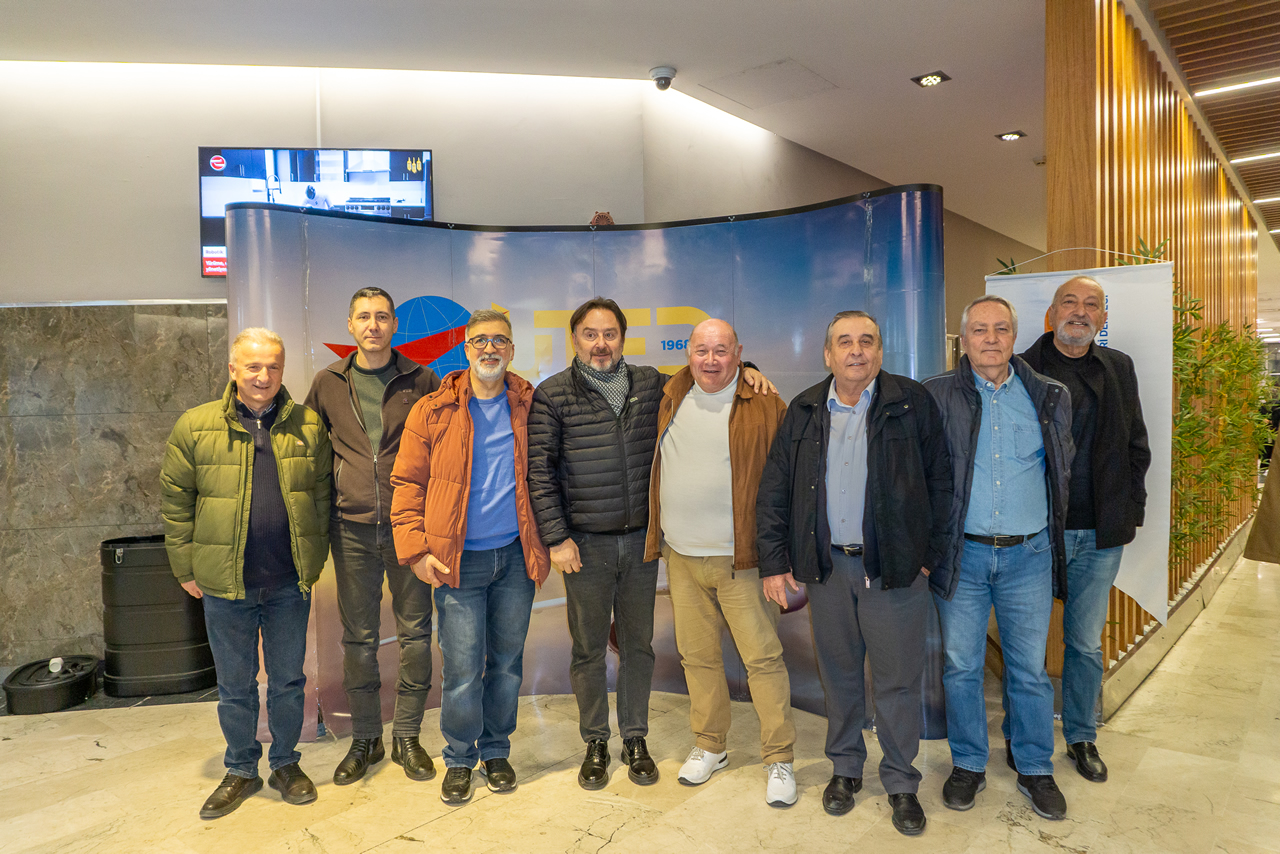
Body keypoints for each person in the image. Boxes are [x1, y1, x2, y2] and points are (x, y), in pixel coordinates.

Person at [526, 297, 773, 791]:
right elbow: (539, 472)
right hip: (585, 547)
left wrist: (751, 372)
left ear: (623, 338)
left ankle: (634, 737)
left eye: (610, 334)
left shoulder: (653, 384)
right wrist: (557, 538)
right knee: (588, 649)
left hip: (642, 544)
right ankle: (596, 741)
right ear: (574, 339)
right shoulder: (553, 395)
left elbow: (712, 373)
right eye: (590, 335)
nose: (601, 344)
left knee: (638, 646)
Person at [756, 310, 952, 836]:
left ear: (880, 352)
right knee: (839, 676)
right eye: (844, 342)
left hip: (893, 571)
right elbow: (775, 489)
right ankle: (845, 769)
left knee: (896, 682)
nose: (856, 350)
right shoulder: (804, 409)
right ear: (828, 354)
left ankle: (901, 781)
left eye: (867, 341)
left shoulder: (912, 403)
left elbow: (942, 482)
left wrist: (927, 555)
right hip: (828, 571)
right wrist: (775, 561)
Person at [160, 327, 331, 819]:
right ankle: (240, 768)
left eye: (273, 366)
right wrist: (185, 567)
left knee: (288, 681)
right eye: (253, 366)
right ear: (233, 369)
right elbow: (176, 501)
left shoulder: (307, 425)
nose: (263, 376)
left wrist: (313, 558)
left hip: (287, 583)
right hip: (224, 584)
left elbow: (322, 496)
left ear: (282, 371)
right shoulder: (195, 426)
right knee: (235, 686)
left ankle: (285, 764)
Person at [390, 309, 550, 806]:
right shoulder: (432, 410)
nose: (489, 349)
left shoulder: (530, 405)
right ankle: (460, 757)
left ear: (512, 350)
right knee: (461, 669)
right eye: (480, 340)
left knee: (506, 664)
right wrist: (416, 551)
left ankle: (496, 751)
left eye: (499, 340)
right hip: (457, 562)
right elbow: (407, 484)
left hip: (516, 559)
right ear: (466, 350)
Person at [923, 295, 1073, 821]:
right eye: (980, 330)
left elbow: (1063, 472)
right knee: (962, 666)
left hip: (1029, 555)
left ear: (1014, 336)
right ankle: (968, 763)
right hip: (961, 557)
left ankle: (1034, 767)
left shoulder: (1049, 394)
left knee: (1029, 670)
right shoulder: (934, 395)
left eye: (1001, 329)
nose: (991, 339)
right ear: (963, 339)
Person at [641, 319, 797, 807]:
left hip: (742, 560)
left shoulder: (766, 403)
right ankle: (711, 745)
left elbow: (789, 481)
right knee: (698, 657)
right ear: (688, 353)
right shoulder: (669, 396)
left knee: (762, 659)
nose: (711, 360)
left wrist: (780, 554)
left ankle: (779, 757)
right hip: (682, 557)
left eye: (722, 351)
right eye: (702, 350)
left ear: (739, 353)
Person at [1014, 276, 1149, 783]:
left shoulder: (1119, 367)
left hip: (1098, 533)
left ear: (1103, 318)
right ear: (1051, 314)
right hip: (1035, 533)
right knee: (1026, 647)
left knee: (1086, 644)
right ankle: (1022, 736)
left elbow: (1136, 444)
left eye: (1092, 304)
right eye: (1069, 302)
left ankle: (1080, 736)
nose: (1080, 311)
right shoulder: (1020, 368)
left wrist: (1130, 510)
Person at [304, 287, 442, 786]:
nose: (373, 325)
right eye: (364, 316)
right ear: (350, 325)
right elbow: (311, 453)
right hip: (351, 529)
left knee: (415, 635)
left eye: (382, 316)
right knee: (359, 640)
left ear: (394, 325)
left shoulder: (421, 379)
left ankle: (407, 735)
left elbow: (441, 449)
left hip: (410, 528)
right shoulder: (327, 383)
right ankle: (366, 738)